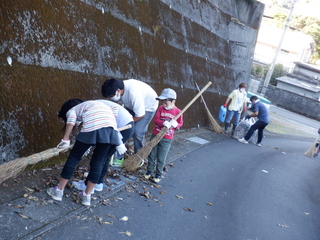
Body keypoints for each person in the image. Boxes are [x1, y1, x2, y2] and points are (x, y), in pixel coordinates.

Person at [47, 99, 127, 206]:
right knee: (98, 162)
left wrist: (65, 140)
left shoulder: (73, 109)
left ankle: (58, 191)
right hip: (110, 131)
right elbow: (114, 110)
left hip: (92, 128)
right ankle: (86, 196)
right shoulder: (95, 105)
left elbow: (71, 120)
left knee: (74, 158)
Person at [101, 78, 158, 153]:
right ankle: (118, 154)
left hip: (148, 107)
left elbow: (140, 115)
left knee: (138, 131)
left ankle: (138, 155)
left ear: (118, 91)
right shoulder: (119, 89)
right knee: (119, 126)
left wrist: (127, 123)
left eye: (111, 96)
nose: (111, 98)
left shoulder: (133, 93)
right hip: (131, 105)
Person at [144, 88, 183, 183]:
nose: (164, 103)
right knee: (152, 154)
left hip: (167, 138)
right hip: (156, 135)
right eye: (163, 101)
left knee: (161, 157)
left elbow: (180, 123)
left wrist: (175, 125)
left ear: (173, 101)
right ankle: (149, 171)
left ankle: (158, 174)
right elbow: (156, 120)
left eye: (166, 101)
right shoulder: (161, 109)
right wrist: (163, 123)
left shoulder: (178, 112)